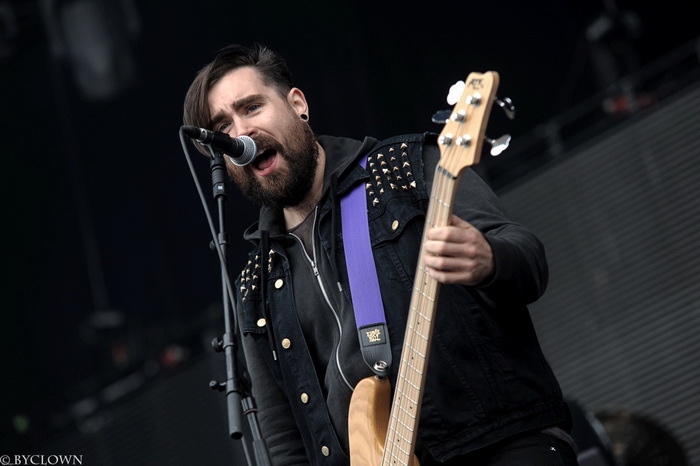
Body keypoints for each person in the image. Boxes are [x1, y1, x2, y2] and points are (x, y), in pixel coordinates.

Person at [183, 43, 577, 465]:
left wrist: (490, 260)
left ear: (297, 104)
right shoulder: (256, 283)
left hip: (497, 442)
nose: (240, 133)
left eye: (252, 107)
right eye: (223, 127)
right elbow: (285, 440)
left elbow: (529, 261)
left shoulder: (404, 170)